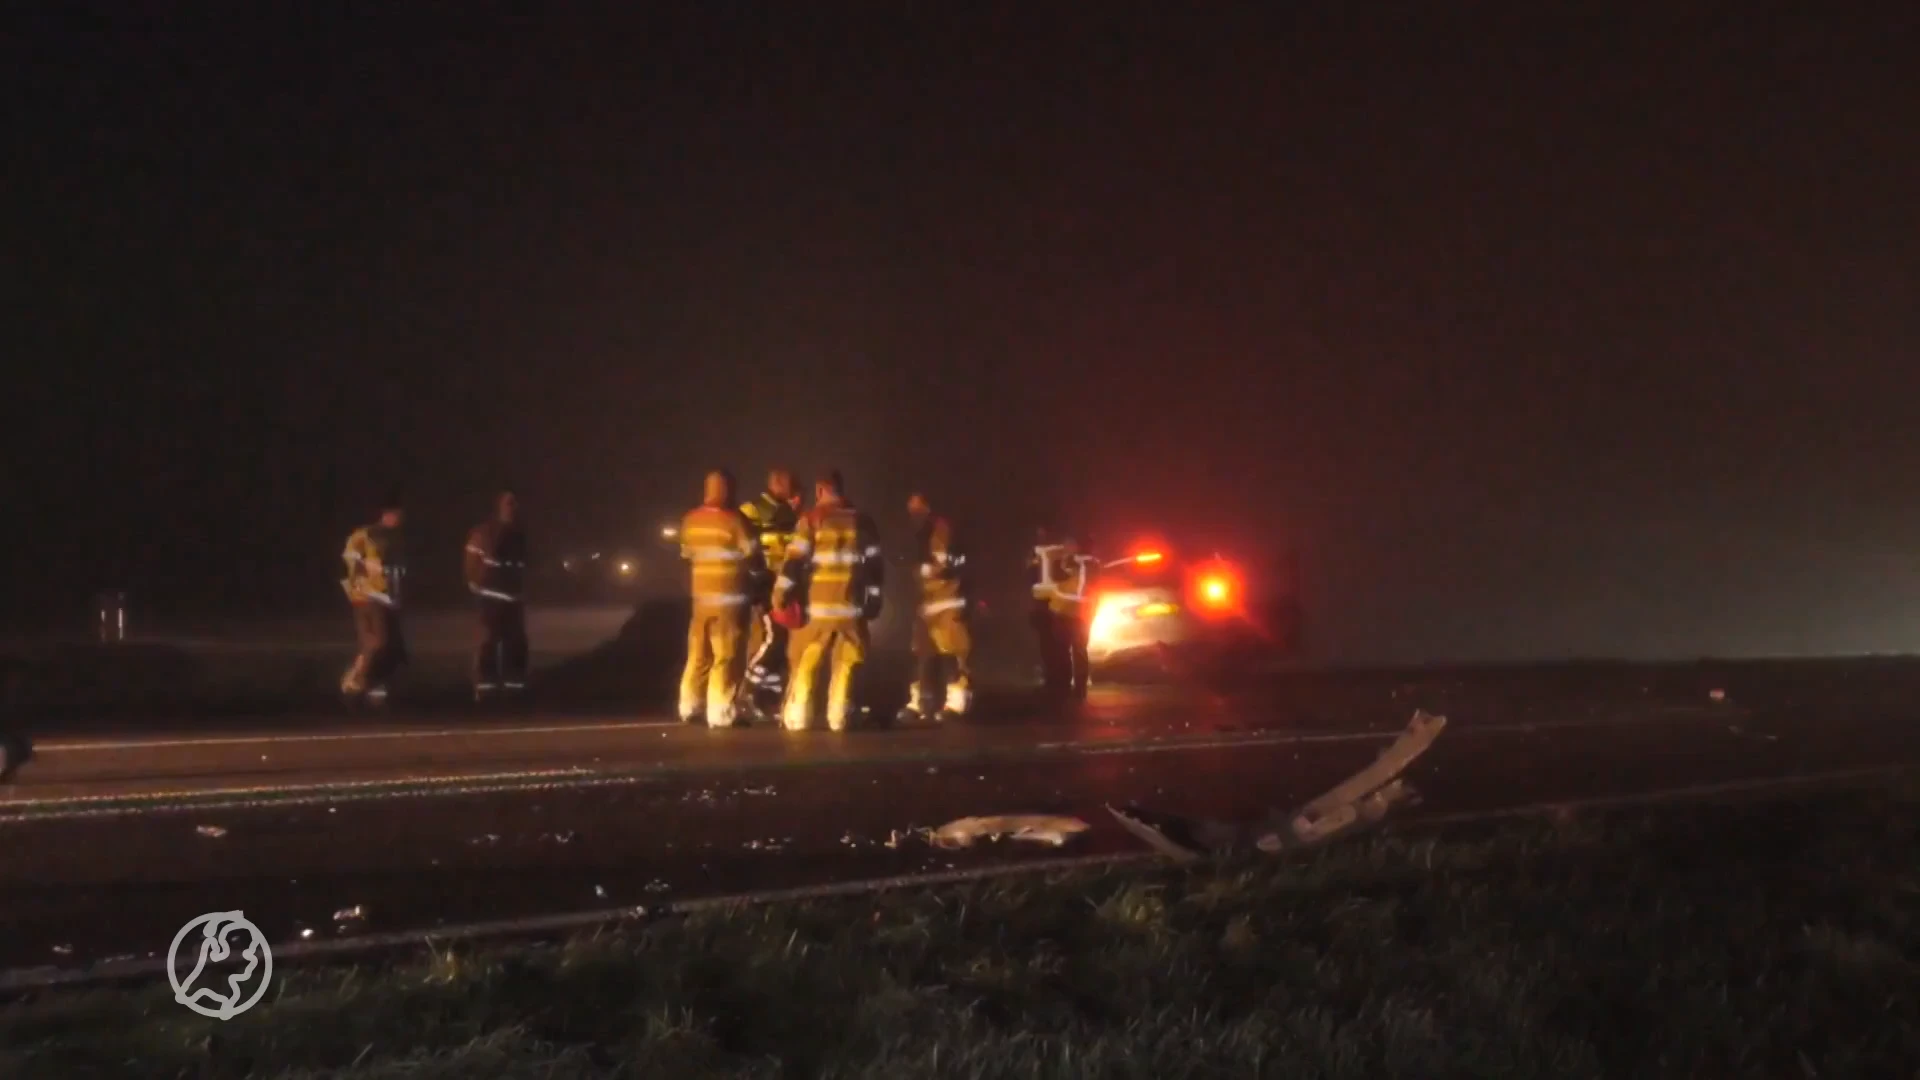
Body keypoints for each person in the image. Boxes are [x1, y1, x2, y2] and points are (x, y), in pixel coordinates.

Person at [775, 470, 882, 731]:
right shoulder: (863, 521)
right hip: (850, 610)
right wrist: (874, 601)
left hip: (817, 611)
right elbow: (875, 568)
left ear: (820, 490)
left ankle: (799, 715)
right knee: (846, 664)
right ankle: (839, 716)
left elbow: (794, 563)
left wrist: (780, 596)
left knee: (807, 661)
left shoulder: (812, 519)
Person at [677, 470, 761, 727]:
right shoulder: (736, 520)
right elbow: (755, 559)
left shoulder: (690, 520)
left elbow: (687, 554)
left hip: (701, 601)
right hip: (730, 601)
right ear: (726, 489)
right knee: (727, 656)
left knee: (698, 655)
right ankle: (721, 711)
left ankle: (690, 705)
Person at [898, 493, 972, 723]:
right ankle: (920, 703)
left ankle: (957, 704)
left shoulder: (942, 529)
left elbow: (945, 563)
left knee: (953, 654)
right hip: (927, 604)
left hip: (947, 601)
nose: (912, 511)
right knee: (922, 655)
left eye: (916, 505)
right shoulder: (920, 533)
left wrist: (923, 570)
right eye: (910, 506)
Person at [737, 468, 802, 721]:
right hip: (765, 587)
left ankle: (769, 700)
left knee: (781, 645)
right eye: (791, 484)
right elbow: (745, 548)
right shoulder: (751, 511)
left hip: (782, 588)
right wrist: (755, 584)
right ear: (776, 484)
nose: (796, 489)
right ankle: (749, 691)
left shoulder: (790, 513)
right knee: (771, 641)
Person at [340, 493, 408, 708]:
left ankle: (375, 684)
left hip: (389, 598)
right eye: (395, 514)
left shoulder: (397, 538)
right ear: (386, 514)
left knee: (393, 646)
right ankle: (356, 678)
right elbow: (351, 560)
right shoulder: (365, 534)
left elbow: (398, 570)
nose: (398, 518)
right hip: (368, 596)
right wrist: (364, 574)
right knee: (378, 641)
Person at [464, 489, 530, 703]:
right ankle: (485, 690)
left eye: (515, 503)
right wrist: (477, 587)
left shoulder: (519, 535)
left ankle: (514, 689)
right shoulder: (483, 533)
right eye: (509, 503)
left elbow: (524, 567)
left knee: (516, 644)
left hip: (513, 600)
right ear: (499, 506)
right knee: (488, 644)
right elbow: (471, 565)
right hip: (490, 600)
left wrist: (521, 592)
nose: (513, 507)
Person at [1029, 528, 1067, 689]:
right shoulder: (1044, 554)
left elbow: (1030, 577)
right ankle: (1055, 679)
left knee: (1054, 644)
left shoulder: (1050, 554)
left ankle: (1057, 679)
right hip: (1046, 604)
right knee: (1051, 645)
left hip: (1051, 604)